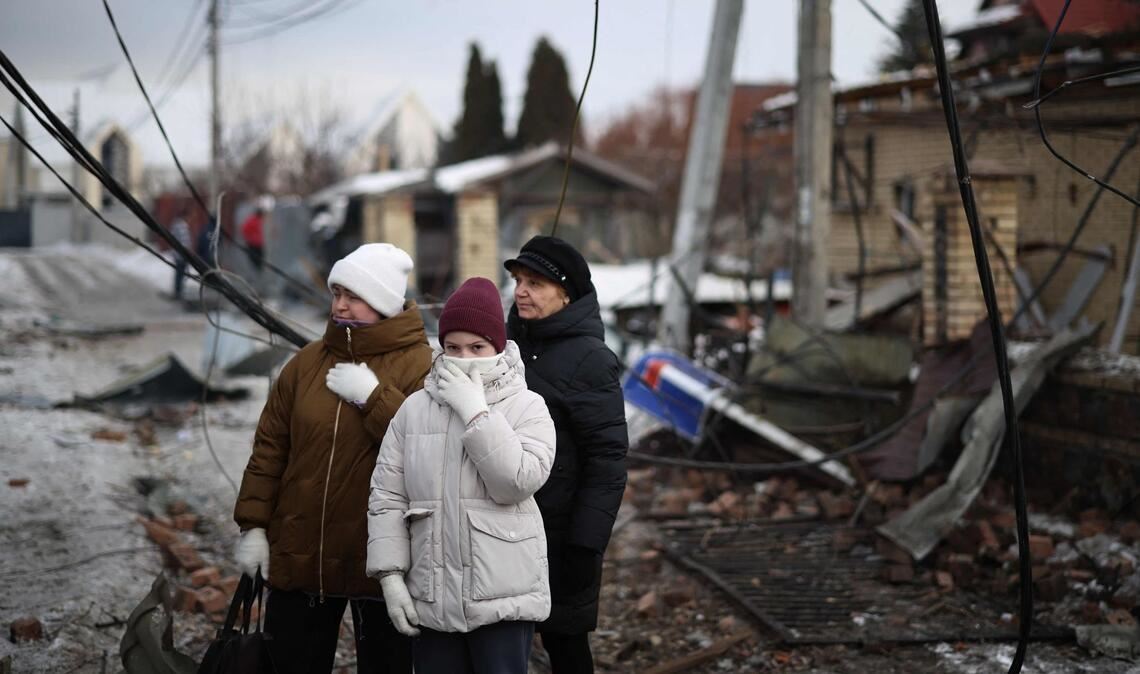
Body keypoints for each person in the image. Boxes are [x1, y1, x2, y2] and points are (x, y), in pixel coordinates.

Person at [233, 242, 431, 674]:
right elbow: (270, 449)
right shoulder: (305, 365)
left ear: (382, 302)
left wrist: (375, 397)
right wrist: (253, 525)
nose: (339, 305)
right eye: (336, 293)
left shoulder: (421, 367)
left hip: (381, 566)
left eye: (353, 296)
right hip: (303, 555)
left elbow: (428, 452)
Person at [367, 277, 556, 674]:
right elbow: (387, 495)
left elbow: (516, 482)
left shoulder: (528, 407)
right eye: (452, 348)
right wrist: (390, 576)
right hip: (432, 597)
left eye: (477, 348)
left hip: (502, 600)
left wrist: (477, 413)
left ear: (498, 348)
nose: (464, 358)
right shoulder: (414, 410)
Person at [504, 236, 629, 674]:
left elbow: (608, 460)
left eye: (535, 283)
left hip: (560, 535)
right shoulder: (504, 347)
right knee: (499, 643)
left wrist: (585, 544)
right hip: (500, 527)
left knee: (566, 645)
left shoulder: (591, 359)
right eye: (519, 280)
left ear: (566, 294)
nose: (520, 290)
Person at [169, 207, 192, 301]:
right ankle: (178, 293)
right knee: (180, 274)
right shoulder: (182, 225)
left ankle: (178, 292)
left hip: (177, 254)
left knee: (178, 274)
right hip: (181, 255)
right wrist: (186, 253)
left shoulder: (176, 224)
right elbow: (184, 241)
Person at [240, 205, 265, 271]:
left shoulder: (258, 220)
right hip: (253, 244)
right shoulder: (252, 220)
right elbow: (244, 229)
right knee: (254, 259)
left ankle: (258, 271)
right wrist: (249, 238)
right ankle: (255, 272)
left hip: (258, 244)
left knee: (260, 259)